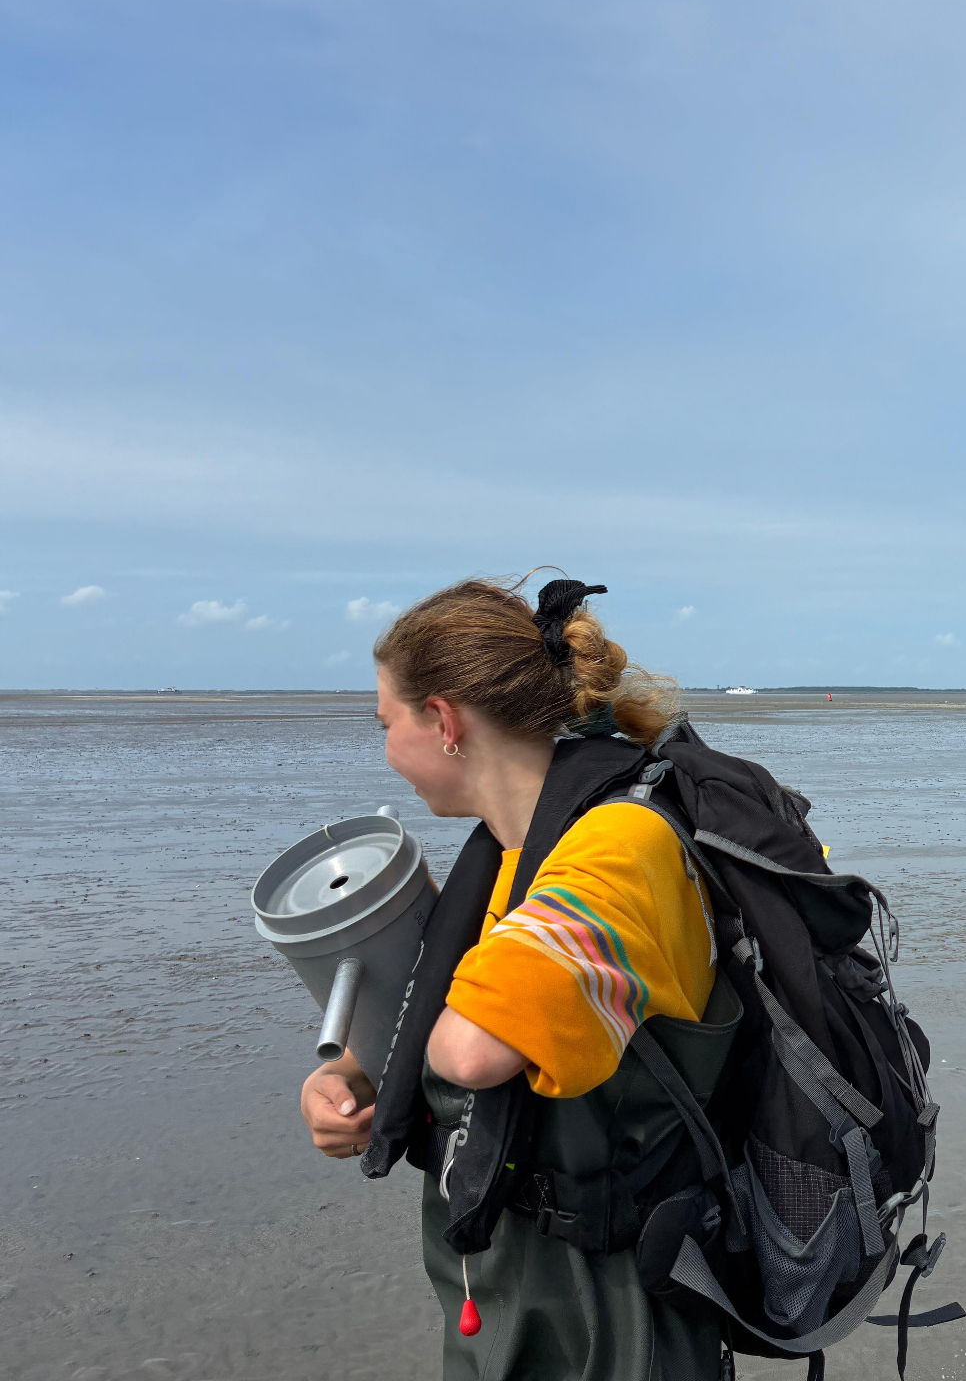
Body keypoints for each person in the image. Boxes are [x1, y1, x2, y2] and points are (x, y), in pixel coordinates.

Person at [298, 576, 731, 1381]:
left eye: (385, 723)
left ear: (444, 721)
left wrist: (404, 1044)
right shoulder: (509, 856)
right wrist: (356, 1070)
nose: (385, 750)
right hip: (516, 1289)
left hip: (612, 1306)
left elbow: (470, 1049)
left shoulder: (620, 846)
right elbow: (485, 1009)